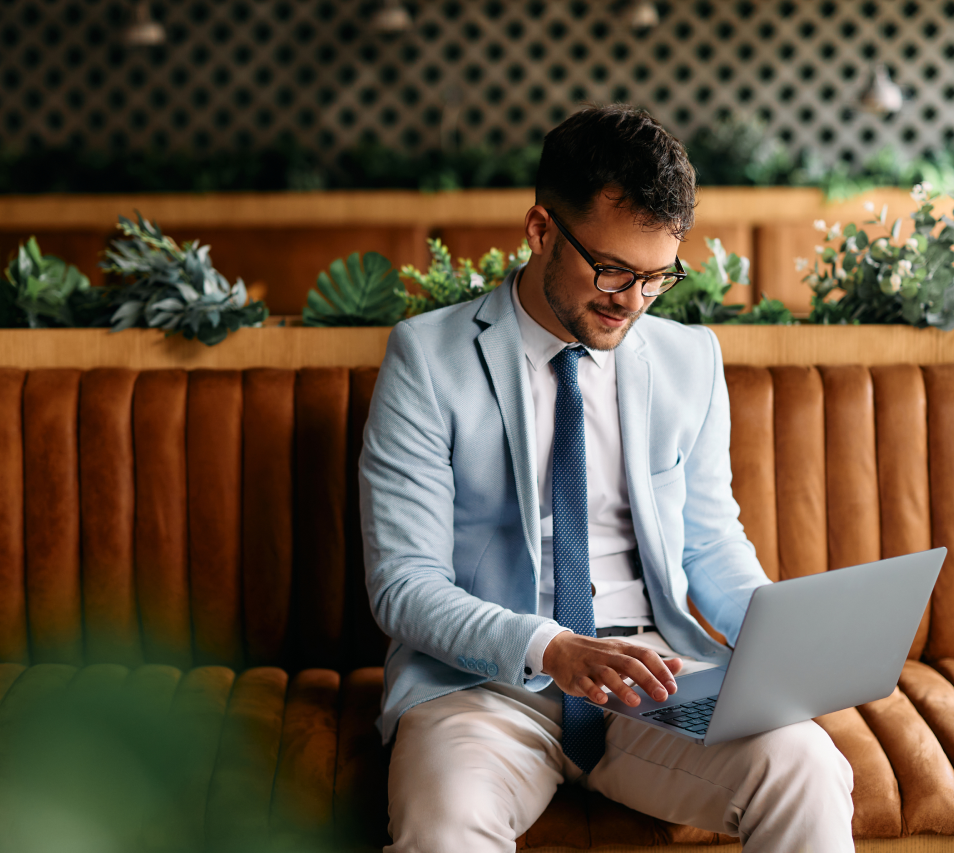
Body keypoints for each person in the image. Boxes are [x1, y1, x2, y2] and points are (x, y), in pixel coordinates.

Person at [359, 105, 854, 853]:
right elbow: (404, 582)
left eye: (657, 277)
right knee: (444, 827)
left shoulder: (690, 360)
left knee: (807, 766)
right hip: (484, 688)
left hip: (654, 681)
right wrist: (550, 646)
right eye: (614, 270)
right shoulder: (427, 360)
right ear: (541, 230)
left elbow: (710, 546)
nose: (632, 302)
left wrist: (779, 641)